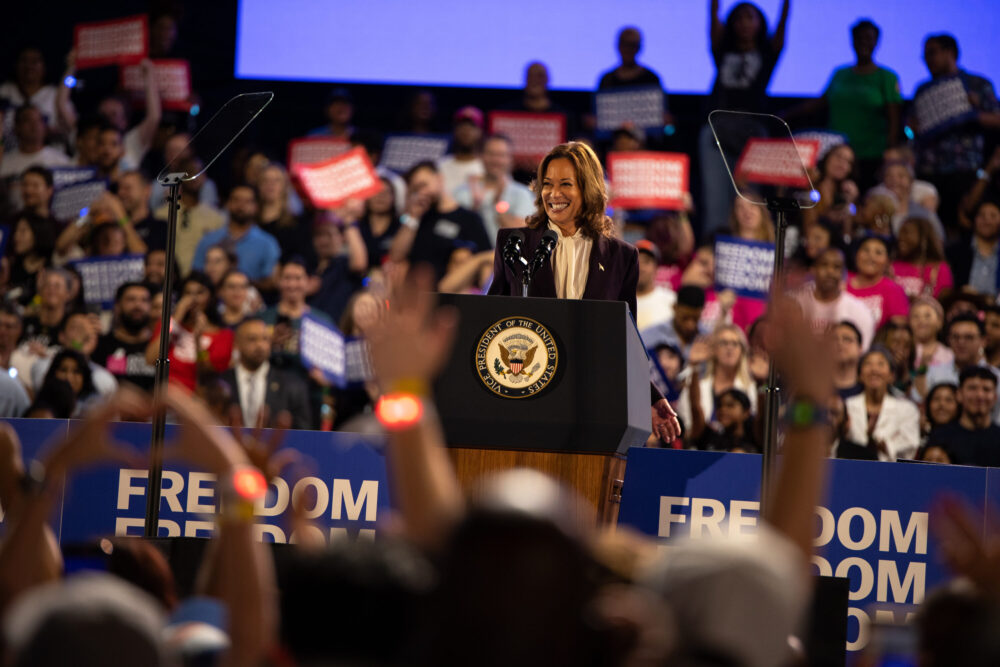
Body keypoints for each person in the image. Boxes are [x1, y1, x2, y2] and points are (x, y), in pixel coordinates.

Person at [489, 141, 681, 442]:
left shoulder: (621, 256)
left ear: (588, 189)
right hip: (524, 396)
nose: (554, 194)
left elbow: (625, 337)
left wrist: (651, 397)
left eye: (566, 184)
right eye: (547, 184)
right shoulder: (514, 243)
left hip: (589, 401)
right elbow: (491, 318)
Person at [699, 0, 790, 234]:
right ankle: (715, 240)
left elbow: (782, 25)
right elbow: (713, 15)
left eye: (750, 17)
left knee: (749, 194)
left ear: (760, 23)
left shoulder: (767, 52)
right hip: (718, 126)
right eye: (739, 18)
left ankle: (751, 241)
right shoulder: (723, 50)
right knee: (717, 194)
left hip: (754, 130)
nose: (744, 23)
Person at [788, 19, 901, 191]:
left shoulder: (887, 77)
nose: (863, 42)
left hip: (872, 154)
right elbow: (821, 102)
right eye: (859, 38)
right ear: (852, 41)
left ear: (876, 42)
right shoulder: (840, 74)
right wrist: (785, 114)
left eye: (868, 38)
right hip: (837, 152)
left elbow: (895, 117)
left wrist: (891, 149)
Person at [913, 34, 1000, 230]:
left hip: (965, 171)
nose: (927, 59)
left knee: (963, 226)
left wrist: (973, 114)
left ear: (950, 53)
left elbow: (997, 118)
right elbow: (911, 131)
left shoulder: (977, 84)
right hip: (929, 173)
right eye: (925, 55)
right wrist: (911, 129)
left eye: (932, 53)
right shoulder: (922, 91)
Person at [390, 160, 490, 281]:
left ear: (439, 179)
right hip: (417, 294)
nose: (421, 193)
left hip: (453, 294)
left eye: (424, 185)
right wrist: (413, 217)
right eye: (416, 190)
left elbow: (487, 260)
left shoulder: (469, 218)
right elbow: (395, 256)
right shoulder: (416, 219)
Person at [146, 272, 234, 392]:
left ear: (211, 297)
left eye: (200, 292)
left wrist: (198, 342)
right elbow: (151, 359)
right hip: (164, 393)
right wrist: (176, 319)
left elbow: (207, 375)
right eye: (188, 293)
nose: (193, 299)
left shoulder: (223, 335)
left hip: (196, 397)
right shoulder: (170, 324)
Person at [221, 317, 311, 429]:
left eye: (265, 339)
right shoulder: (219, 383)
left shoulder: (293, 386)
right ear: (237, 344)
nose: (260, 345)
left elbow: (303, 432)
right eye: (252, 339)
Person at [677, 323, 758, 443]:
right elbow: (688, 430)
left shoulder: (752, 389)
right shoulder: (696, 387)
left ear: (742, 351)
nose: (729, 348)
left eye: (735, 344)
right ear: (713, 350)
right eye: (724, 343)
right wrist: (693, 367)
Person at [192, 185, 281, 283]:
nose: (241, 206)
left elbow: (271, 281)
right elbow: (196, 275)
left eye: (247, 201)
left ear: (256, 206)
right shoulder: (208, 240)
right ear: (228, 203)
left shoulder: (267, 243)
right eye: (236, 200)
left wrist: (240, 287)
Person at [453, 134, 533, 243]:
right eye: (491, 154)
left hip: (504, 257)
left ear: (510, 159)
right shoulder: (463, 192)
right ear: (481, 156)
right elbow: (453, 229)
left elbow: (521, 234)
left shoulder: (522, 194)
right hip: (470, 254)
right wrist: (474, 209)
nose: (495, 160)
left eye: (501, 155)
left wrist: (498, 204)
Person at [844, 347, 919, 461]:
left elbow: (910, 444)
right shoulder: (848, 406)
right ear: (860, 375)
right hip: (852, 470)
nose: (874, 369)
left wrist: (882, 445)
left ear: (891, 375)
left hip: (891, 472)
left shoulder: (907, 409)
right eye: (868, 364)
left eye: (881, 364)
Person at [153, 156, 225, 276]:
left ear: (205, 177)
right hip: (168, 277)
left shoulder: (216, 218)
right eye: (189, 172)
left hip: (202, 278)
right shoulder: (162, 214)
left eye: (198, 172)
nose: (194, 177)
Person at [796, 247, 876, 349]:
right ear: (813, 270)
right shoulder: (796, 304)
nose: (830, 271)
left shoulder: (859, 312)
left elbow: (861, 353)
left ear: (844, 274)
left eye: (836, 267)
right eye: (824, 265)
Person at [926, 367, 1000, 466]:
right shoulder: (939, 437)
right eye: (972, 388)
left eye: (986, 389)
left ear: (995, 397)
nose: (979, 395)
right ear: (959, 394)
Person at [91, 282, 156, 392]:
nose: (138, 306)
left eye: (144, 300)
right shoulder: (100, 345)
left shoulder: (160, 346)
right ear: (117, 306)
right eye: (131, 300)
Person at [846, 235, 909, 330]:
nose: (871, 257)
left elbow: (899, 330)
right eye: (866, 251)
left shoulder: (894, 290)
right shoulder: (842, 284)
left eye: (878, 253)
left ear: (888, 261)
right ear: (856, 255)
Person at [642, 285, 707, 362]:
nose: (690, 325)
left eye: (696, 319)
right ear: (674, 308)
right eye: (685, 318)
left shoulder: (707, 337)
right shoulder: (650, 337)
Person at [947, 200, 1000, 295]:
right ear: (974, 219)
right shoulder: (955, 251)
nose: (987, 220)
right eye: (981, 215)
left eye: (993, 216)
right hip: (964, 304)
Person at [892, 216, 954, 298]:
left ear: (923, 237)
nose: (901, 238)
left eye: (906, 233)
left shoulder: (940, 269)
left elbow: (944, 302)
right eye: (900, 233)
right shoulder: (891, 267)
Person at [5, 212, 56, 306]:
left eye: (23, 231)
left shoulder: (51, 268)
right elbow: (6, 297)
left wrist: (39, 296)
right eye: (16, 231)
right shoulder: (11, 265)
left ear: (38, 233)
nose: (16, 236)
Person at [37, 348, 101, 417]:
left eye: (76, 371)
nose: (68, 377)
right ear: (53, 373)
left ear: (85, 377)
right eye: (63, 370)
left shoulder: (96, 407)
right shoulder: (42, 405)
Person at [437, 106, 486, 196]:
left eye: (472, 125)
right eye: (461, 125)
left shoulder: (486, 167)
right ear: (454, 130)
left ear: (480, 131)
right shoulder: (441, 165)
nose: (466, 130)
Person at [597, 26, 665, 90]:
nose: (628, 50)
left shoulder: (651, 79)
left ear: (639, 48)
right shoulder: (607, 81)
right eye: (625, 45)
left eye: (632, 46)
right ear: (619, 46)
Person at [357, 177, 401, 270]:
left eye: (386, 193)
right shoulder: (356, 227)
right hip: (359, 280)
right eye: (375, 191)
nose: (380, 196)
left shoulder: (401, 228)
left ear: (394, 198)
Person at [634, 240, 676, 332]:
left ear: (656, 268)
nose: (641, 267)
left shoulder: (671, 300)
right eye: (636, 261)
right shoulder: (621, 300)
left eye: (646, 262)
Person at [909, 295, 954, 373]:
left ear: (940, 322)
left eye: (927, 316)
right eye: (916, 316)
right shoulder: (907, 352)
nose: (921, 320)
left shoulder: (948, 354)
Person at [832, 320, 864, 399]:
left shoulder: (869, 390)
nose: (840, 343)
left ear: (860, 348)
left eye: (847, 339)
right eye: (834, 339)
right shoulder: (815, 390)